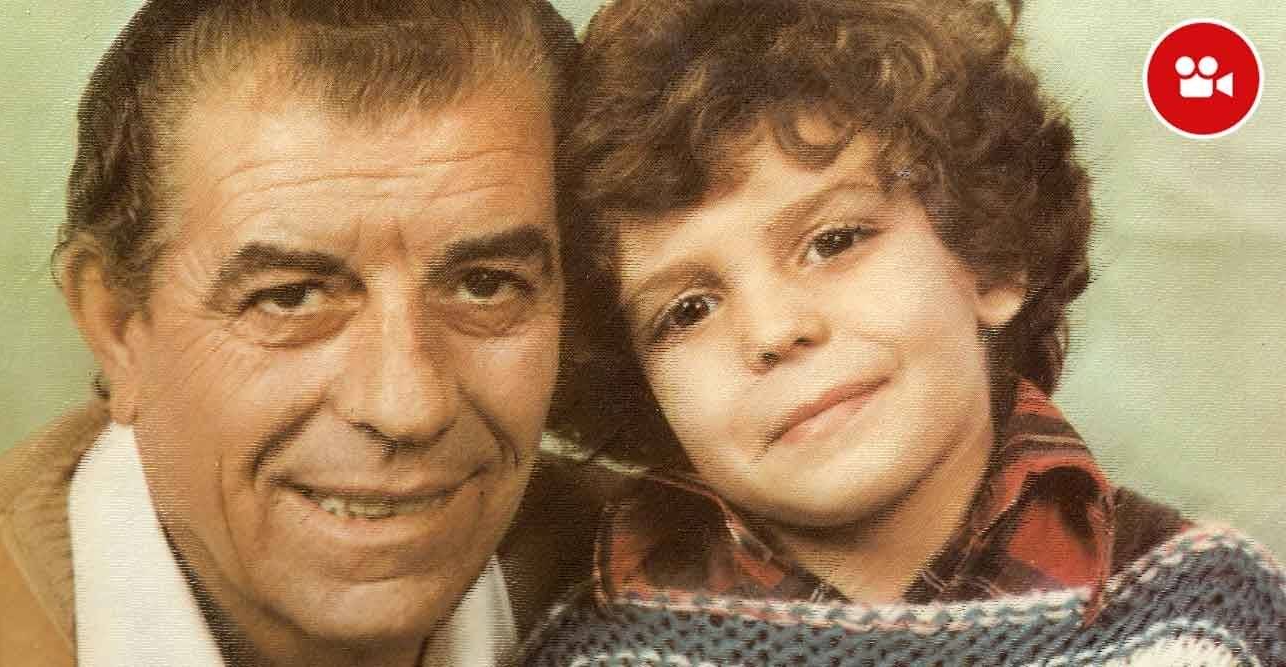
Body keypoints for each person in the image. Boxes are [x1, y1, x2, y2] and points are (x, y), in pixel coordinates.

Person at [528, 0, 1286, 663]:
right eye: (688, 309)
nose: (774, 330)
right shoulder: (593, 652)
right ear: (641, 385)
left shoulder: (1205, 613)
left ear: (990, 259)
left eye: (835, 241)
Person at [0, 1, 615, 665]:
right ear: (118, 327)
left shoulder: (657, 580)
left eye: (485, 285)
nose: (407, 407)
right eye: (290, 297)